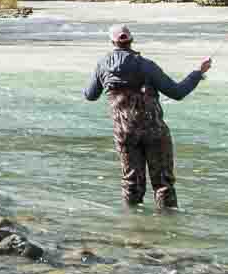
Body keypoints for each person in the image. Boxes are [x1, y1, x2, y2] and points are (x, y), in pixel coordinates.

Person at [79, 24, 210, 210]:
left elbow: (90, 95)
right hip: (154, 131)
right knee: (163, 184)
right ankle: (168, 227)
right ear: (131, 40)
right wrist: (198, 73)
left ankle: (134, 229)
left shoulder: (102, 66)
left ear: (112, 42)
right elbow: (177, 92)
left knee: (131, 183)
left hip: (124, 133)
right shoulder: (147, 65)